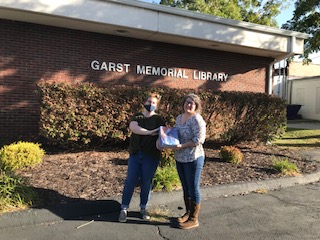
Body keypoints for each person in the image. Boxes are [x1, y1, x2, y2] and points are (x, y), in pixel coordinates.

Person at [118, 93, 165, 223]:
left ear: (157, 105)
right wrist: (150, 132)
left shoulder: (159, 119)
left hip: (151, 156)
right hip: (136, 154)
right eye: (149, 102)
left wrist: (161, 144)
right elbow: (134, 128)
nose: (151, 104)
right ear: (144, 102)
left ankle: (143, 208)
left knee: (146, 182)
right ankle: (124, 208)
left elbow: (161, 136)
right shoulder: (137, 116)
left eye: (154, 103)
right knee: (130, 181)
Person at [173, 93, 206, 230]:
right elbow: (174, 134)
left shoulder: (197, 119)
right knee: (185, 187)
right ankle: (188, 212)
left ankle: (194, 218)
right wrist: (166, 140)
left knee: (193, 187)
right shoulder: (179, 117)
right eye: (187, 102)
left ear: (196, 106)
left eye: (192, 103)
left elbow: (199, 139)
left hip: (193, 157)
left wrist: (183, 145)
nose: (189, 105)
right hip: (180, 157)